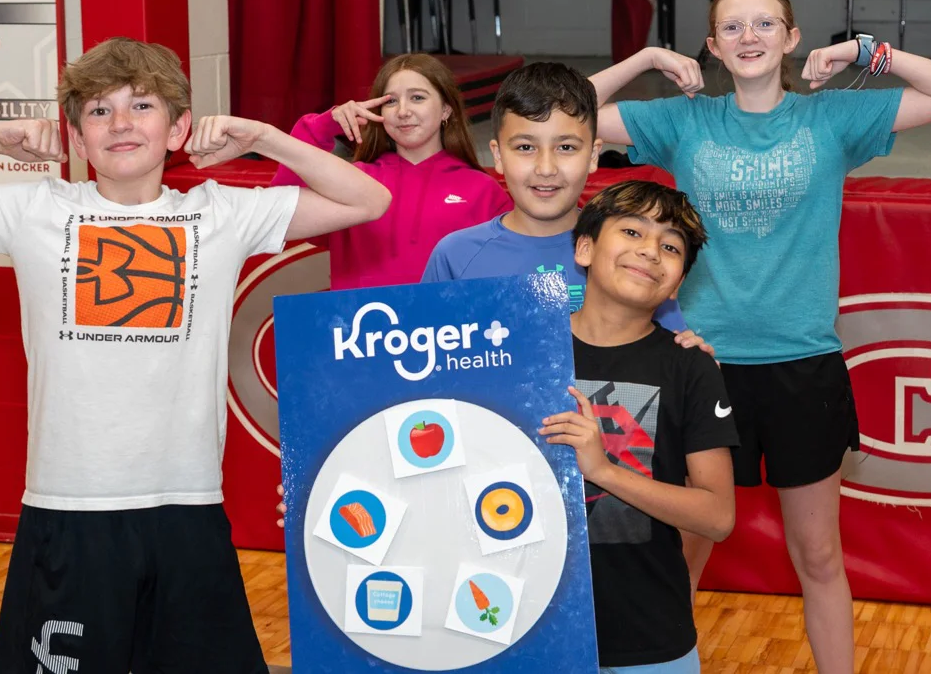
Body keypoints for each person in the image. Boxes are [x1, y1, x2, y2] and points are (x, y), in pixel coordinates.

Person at [0, 37, 391, 674]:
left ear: (178, 128)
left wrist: (263, 137)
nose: (121, 123)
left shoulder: (221, 212)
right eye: (99, 111)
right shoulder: (34, 208)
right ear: (76, 135)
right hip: (71, 506)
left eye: (142, 106)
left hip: (187, 504)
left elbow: (369, 200)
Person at [588, 0, 931, 674]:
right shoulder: (686, 121)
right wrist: (645, 58)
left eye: (765, 24)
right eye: (732, 27)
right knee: (682, 551)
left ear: (792, 38)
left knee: (818, 554)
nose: (750, 37)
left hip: (803, 366)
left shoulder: (831, 118)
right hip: (703, 365)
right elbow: (563, 113)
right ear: (712, 46)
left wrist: (867, 51)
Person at [540, 181, 737, 674]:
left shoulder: (692, 368)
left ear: (678, 283)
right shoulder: (527, 350)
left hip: (648, 637)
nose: (650, 250)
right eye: (632, 231)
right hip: (528, 627)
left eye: (671, 247)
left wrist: (604, 471)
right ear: (584, 249)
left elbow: (718, 516)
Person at [422, 61, 687, 332]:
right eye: (525, 147)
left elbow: (668, 347)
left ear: (593, 155)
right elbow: (426, 351)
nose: (546, 168)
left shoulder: (631, 257)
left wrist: (689, 351)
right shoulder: (455, 256)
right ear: (498, 156)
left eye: (566, 147)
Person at [271, 52, 510, 289]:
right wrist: (321, 127)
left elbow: (508, 274)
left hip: (450, 315)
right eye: (391, 101)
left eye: (417, 98)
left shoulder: (482, 189)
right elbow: (279, 215)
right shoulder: (351, 180)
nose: (403, 111)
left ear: (446, 109)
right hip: (362, 315)